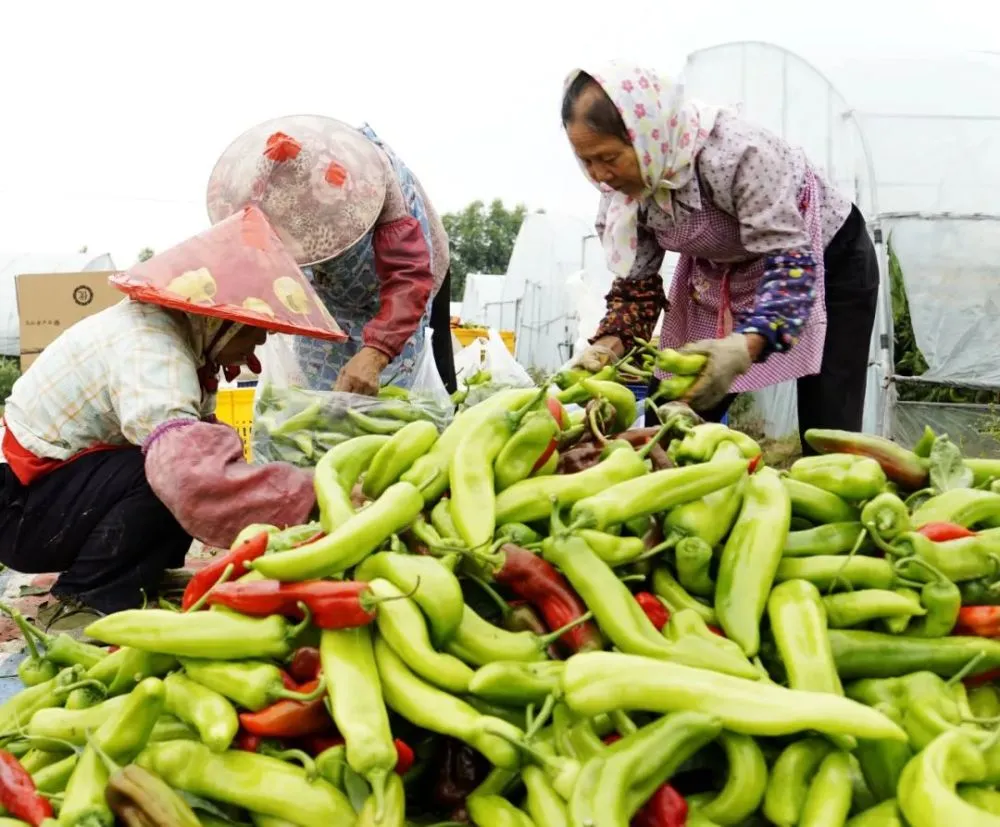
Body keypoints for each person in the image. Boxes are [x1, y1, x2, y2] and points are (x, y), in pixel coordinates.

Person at [0, 206, 340, 628]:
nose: (255, 353)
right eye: (256, 331)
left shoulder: (173, 337)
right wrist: (312, 501)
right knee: (170, 470)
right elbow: (190, 475)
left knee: (178, 458)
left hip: (51, 496)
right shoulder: (150, 348)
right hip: (21, 509)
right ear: (225, 322)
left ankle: (130, 578)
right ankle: (85, 596)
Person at [563, 62, 879, 446]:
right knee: (671, 422)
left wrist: (745, 344)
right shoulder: (625, 198)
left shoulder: (738, 155)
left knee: (827, 430)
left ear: (646, 136)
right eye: (587, 160)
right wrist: (605, 347)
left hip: (826, 261)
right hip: (723, 275)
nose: (599, 175)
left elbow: (790, 266)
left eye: (609, 158)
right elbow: (637, 288)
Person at [207, 115, 456, 396]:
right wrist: (229, 334)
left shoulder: (369, 179)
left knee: (400, 390)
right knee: (318, 392)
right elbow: (256, 271)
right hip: (332, 294)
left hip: (405, 285)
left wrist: (376, 353)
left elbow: (408, 279)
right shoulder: (262, 195)